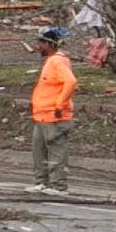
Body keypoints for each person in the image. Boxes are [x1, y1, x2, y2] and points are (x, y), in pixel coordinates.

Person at [28, 27, 79, 192]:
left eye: (40, 43)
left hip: (54, 116)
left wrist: (60, 105)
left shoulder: (57, 61)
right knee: (40, 150)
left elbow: (70, 82)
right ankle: (42, 182)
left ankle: (58, 186)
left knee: (56, 151)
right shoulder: (51, 61)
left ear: (48, 44)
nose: (37, 47)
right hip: (43, 116)